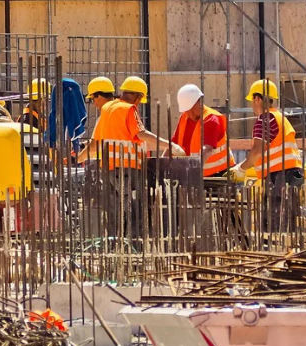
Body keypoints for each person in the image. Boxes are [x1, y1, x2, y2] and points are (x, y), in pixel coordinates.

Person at [76, 76, 183, 237]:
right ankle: (134, 248)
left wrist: (78, 159)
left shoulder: (106, 109)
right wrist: (169, 145)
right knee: (136, 210)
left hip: (109, 170)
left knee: (116, 212)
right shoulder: (129, 109)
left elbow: (96, 143)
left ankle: (115, 246)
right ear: (138, 96)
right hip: (127, 170)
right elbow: (141, 134)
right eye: (140, 100)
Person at [228, 79, 303, 232]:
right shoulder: (280, 117)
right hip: (291, 174)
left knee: (275, 224)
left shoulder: (266, 119)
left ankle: (276, 253)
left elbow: (257, 150)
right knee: (288, 223)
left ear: (257, 98)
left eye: (252, 100)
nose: (252, 105)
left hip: (279, 176)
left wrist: (241, 169)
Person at [165, 84, 235, 177]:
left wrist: (194, 170)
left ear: (200, 101)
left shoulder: (211, 119)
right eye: (186, 110)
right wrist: (162, 166)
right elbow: (173, 144)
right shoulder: (184, 117)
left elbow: (207, 149)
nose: (189, 113)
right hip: (196, 174)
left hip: (219, 174)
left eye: (192, 109)